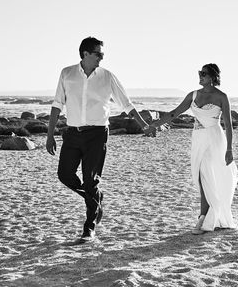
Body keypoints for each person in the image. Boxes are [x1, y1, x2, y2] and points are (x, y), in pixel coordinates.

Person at [46, 36, 156, 242]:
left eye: (102, 55)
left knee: (91, 180)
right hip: (72, 133)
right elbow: (57, 105)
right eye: (99, 54)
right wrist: (49, 134)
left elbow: (126, 104)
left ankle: (89, 227)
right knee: (64, 175)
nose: (102, 58)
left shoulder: (107, 76)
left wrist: (144, 125)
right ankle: (95, 197)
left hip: (97, 135)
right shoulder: (67, 74)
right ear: (85, 54)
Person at [149, 63, 238, 234]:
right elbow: (174, 113)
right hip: (198, 138)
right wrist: (155, 125)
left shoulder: (222, 97)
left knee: (205, 175)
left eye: (204, 73)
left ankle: (203, 218)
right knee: (199, 176)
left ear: (212, 77)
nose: (200, 76)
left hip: (214, 139)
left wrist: (229, 149)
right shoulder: (193, 95)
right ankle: (207, 215)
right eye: (199, 73)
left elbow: (228, 124)